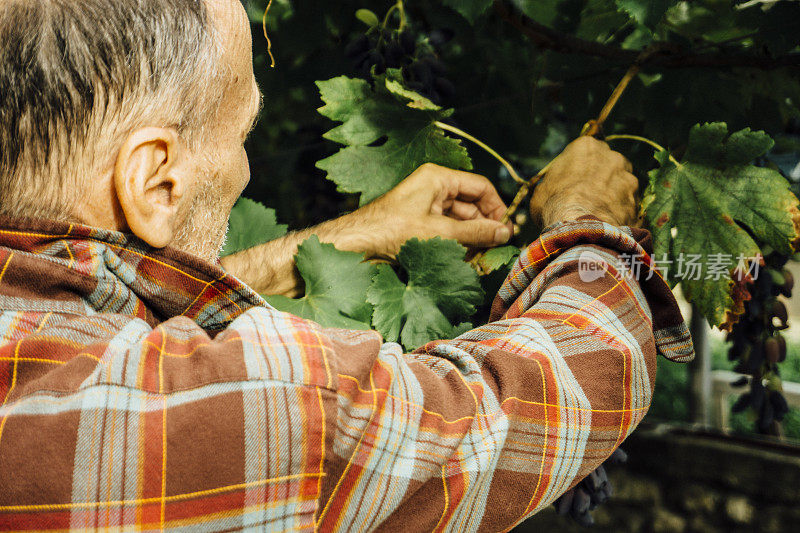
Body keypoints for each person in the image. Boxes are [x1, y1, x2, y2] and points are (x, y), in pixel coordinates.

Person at [0, 0, 693, 531]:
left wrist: (347, 236)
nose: (242, 165)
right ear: (155, 180)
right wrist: (585, 221)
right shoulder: (259, 407)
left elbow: (103, 323)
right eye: (241, 134)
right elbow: (543, 395)